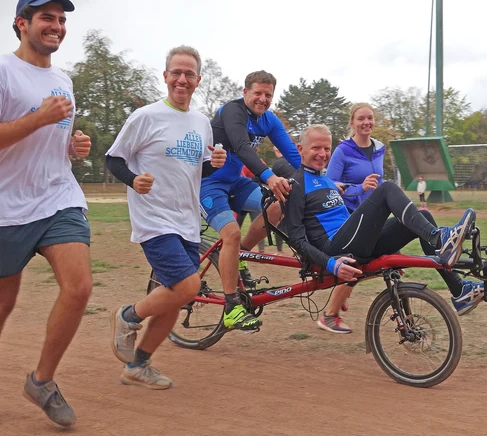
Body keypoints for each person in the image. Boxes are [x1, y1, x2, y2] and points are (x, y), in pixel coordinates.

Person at [0, 0, 93, 428]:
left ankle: (42, 380)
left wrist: (73, 147)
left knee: (79, 288)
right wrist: (38, 118)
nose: (56, 26)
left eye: (61, 20)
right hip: (5, 208)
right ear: (22, 22)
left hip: (58, 197)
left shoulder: (63, 81)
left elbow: (51, 140)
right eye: (46, 18)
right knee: (0, 306)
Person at [284, 125, 487, 335]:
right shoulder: (296, 184)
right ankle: (440, 239)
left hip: (350, 241)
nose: (322, 154)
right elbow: (296, 238)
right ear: (300, 149)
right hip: (334, 250)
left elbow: (347, 221)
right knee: (387, 188)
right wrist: (331, 263)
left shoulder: (326, 180)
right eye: (316, 148)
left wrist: (391, 249)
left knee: (423, 216)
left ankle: (459, 290)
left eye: (326, 148)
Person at [106, 45, 226, 390]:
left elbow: (192, 166)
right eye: (176, 72)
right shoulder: (145, 117)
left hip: (186, 220)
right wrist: (134, 181)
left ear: (198, 80)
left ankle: (138, 366)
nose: (182, 79)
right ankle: (128, 316)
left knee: (176, 297)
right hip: (154, 219)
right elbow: (113, 159)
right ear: (165, 76)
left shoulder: (202, 123)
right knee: (188, 286)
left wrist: (211, 164)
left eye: (189, 74)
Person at [199, 71, 302, 331]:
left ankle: (240, 254)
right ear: (245, 92)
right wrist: (269, 177)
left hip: (236, 183)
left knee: (279, 204)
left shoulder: (268, 120)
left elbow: (293, 154)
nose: (263, 99)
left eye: (268, 95)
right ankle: (232, 307)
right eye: (257, 93)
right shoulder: (232, 112)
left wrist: (321, 181)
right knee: (230, 233)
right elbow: (242, 147)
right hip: (208, 184)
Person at [323, 103, 386, 332]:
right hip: (347, 214)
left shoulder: (380, 148)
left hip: (371, 213)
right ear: (352, 122)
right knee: (356, 262)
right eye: (361, 118)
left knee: (387, 263)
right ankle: (329, 315)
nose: (366, 122)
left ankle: (343, 290)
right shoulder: (343, 150)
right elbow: (330, 186)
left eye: (370, 118)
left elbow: (380, 182)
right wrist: (359, 188)